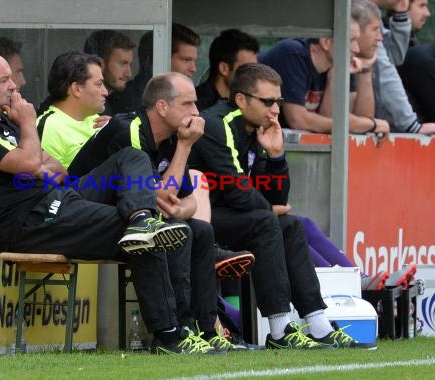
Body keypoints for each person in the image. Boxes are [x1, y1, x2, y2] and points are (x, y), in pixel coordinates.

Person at [0, 50, 231, 355]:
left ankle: (143, 224)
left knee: (132, 165)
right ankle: (171, 336)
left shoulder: (3, 121)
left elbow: (55, 168)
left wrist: (32, 158)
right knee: (157, 233)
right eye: (4, 81)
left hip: (59, 199)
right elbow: (32, 162)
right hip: (29, 222)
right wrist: (28, 126)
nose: (14, 87)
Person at [68, 72, 259, 351]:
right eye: (188, 104)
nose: (196, 112)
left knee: (201, 230)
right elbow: (155, 194)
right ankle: (179, 330)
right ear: (161, 107)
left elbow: (187, 200)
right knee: (175, 230)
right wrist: (184, 147)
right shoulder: (129, 130)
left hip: (131, 219)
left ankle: (207, 331)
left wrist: (179, 206)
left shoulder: (171, 136)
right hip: (85, 216)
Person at [190, 62, 368, 349]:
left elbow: (275, 198)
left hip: (237, 216)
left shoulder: (257, 128)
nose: (275, 109)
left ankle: (318, 323)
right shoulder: (217, 124)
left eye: (279, 101)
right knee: (267, 221)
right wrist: (269, 209)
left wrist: (276, 156)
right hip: (202, 218)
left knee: (291, 225)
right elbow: (236, 190)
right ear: (241, 100)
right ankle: (280, 329)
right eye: (268, 101)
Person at [259, 11, 390, 139]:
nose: (357, 49)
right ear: (326, 42)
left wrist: (351, 73)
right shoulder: (292, 54)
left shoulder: (339, 62)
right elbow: (298, 120)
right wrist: (371, 125)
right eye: (352, 40)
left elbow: (334, 118)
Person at [370, 0, 435, 133]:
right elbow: (383, 68)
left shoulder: (372, 13)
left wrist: (401, 11)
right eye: (422, 5)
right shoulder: (356, 10)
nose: (428, 13)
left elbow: (395, 58)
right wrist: (412, 126)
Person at [37, 51, 109, 169]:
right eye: (99, 84)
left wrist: (115, 133)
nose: (105, 92)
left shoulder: (98, 120)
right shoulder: (51, 126)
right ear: (77, 89)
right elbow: (44, 183)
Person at [195, 29, 259, 111]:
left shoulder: (243, 103)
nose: (254, 75)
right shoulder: (197, 105)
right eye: (247, 69)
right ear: (224, 68)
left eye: (255, 69)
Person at [83, 30, 136, 115]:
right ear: (100, 64)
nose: (129, 74)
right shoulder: (86, 105)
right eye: (123, 63)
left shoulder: (113, 102)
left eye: (130, 64)